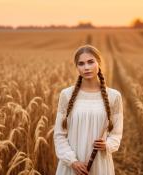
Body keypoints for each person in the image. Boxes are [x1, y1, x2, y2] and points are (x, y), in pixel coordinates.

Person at [53, 44, 124, 175]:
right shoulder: (66, 95)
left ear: (99, 63)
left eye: (91, 62)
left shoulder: (114, 96)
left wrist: (107, 145)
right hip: (71, 167)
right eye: (81, 64)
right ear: (77, 67)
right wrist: (73, 161)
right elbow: (59, 134)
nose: (86, 67)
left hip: (100, 164)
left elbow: (116, 133)